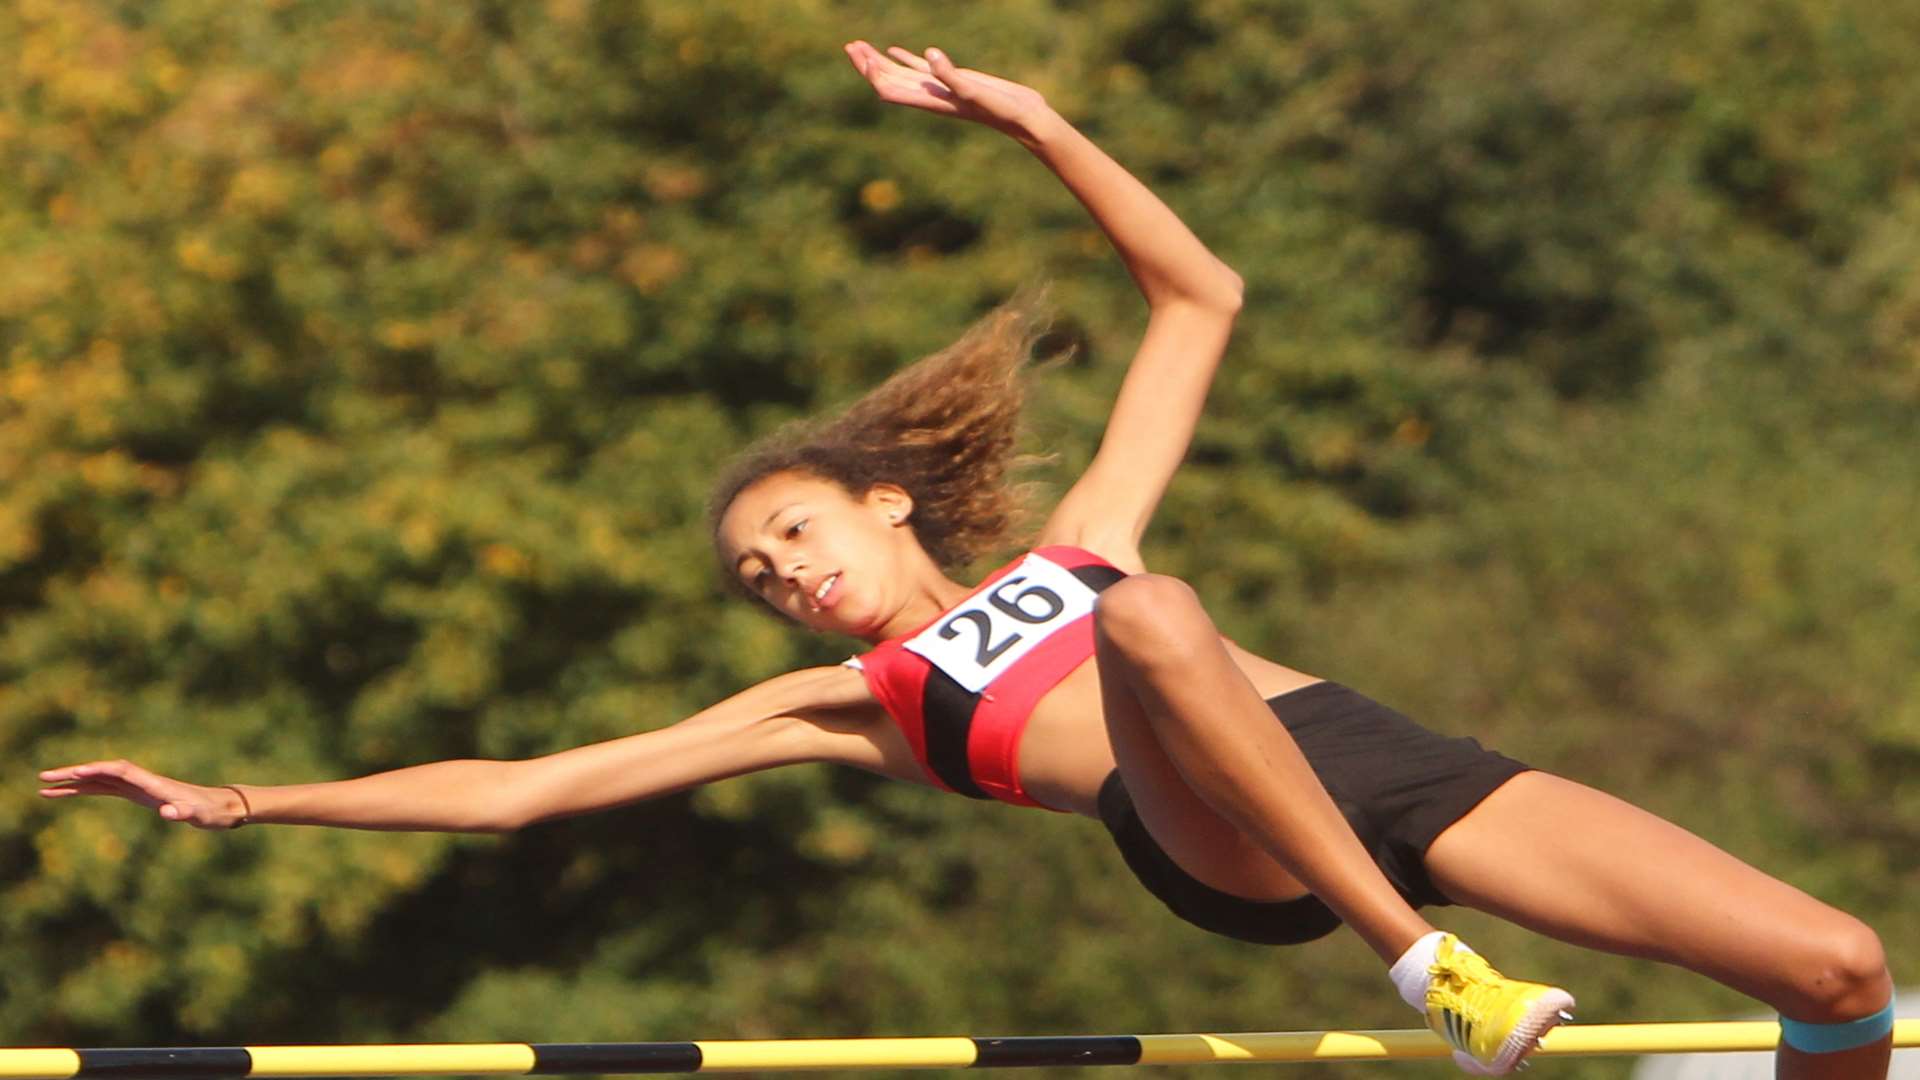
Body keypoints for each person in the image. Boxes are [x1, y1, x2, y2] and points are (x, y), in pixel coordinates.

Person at [39, 42, 1892, 1078]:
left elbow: (1200, 292)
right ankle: (1430, 971)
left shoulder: (1077, 535)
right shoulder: (856, 704)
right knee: (1158, 619)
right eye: (757, 577)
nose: (784, 580)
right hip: (1219, 838)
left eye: (793, 538)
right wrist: (254, 802)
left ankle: (1493, 964)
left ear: (885, 506)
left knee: (1834, 970)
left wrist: (1034, 122)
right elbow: (530, 790)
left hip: (1376, 760)